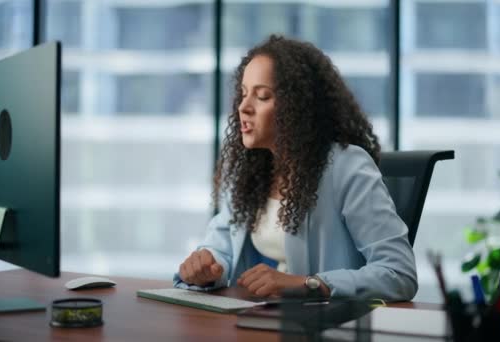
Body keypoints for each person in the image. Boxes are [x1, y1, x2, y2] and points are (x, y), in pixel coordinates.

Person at [174, 35, 417, 301]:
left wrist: (309, 284)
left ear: (297, 106)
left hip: (328, 328)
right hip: (259, 321)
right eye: (243, 94)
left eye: (262, 96)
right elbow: (221, 249)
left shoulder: (347, 166)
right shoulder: (253, 171)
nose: (243, 107)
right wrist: (207, 267)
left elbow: (398, 272)